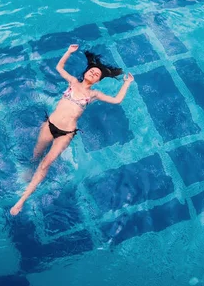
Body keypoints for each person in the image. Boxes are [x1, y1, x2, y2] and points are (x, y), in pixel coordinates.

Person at [10, 44, 134, 216]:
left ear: (98, 81)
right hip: (50, 125)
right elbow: (59, 67)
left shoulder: (94, 94)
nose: (93, 73)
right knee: (36, 155)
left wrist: (126, 83)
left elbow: (116, 100)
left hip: (66, 134)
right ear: (85, 73)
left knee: (45, 164)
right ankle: (31, 168)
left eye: (97, 74)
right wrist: (68, 51)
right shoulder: (73, 82)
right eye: (92, 70)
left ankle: (21, 200)